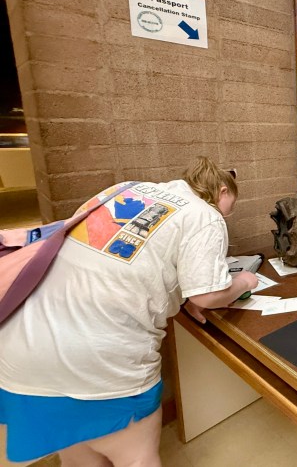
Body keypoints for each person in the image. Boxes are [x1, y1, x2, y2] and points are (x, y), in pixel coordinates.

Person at [0, 157, 258, 466]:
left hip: (22, 348)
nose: (227, 213)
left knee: (78, 456)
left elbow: (119, 262)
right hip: (99, 364)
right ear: (223, 189)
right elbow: (208, 293)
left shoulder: (126, 190)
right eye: (230, 205)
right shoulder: (205, 214)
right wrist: (243, 280)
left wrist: (185, 298)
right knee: (137, 458)